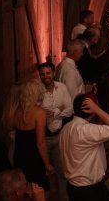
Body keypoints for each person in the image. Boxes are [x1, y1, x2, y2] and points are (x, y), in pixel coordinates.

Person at [59, 94, 109, 200]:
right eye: (95, 105)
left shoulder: (66, 128)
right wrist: (97, 110)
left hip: (72, 187)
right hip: (89, 191)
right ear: (90, 109)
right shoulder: (86, 130)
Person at [5, 81, 54, 196]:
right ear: (36, 93)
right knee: (40, 191)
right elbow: (40, 143)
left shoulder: (16, 111)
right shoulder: (39, 113)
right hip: (34, 158)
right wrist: (47, 164)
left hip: (19, 156)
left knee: (24, 192)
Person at [38, 62, 74, 199]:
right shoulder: (37, 91)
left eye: (48, 73)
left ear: (53, 73)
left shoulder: (62, 87)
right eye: (42, 74)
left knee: (62, 172)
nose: (45, 76)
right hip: (42, 139)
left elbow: (70, 109)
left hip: (58, 136)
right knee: (43, 175)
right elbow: (38, 113)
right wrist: (60, 107)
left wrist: (55, 112)